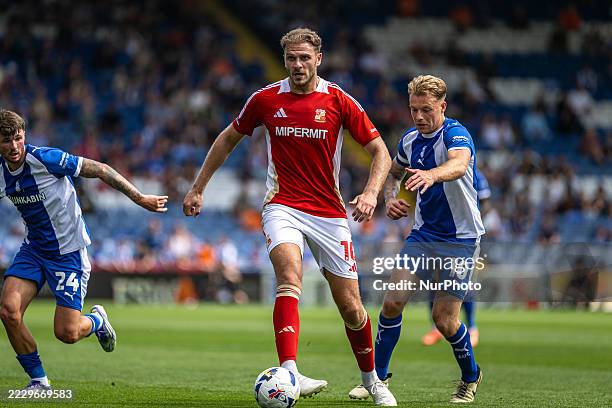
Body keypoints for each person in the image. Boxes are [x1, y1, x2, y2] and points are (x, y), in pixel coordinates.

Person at [183, 28, 397, 406]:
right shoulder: (265, 99)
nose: (298, 65)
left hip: (330, 213)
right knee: (289, 277)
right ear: (284, 61)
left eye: (304, 58)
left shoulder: (338, 101)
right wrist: (198, 186)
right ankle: (290, 371)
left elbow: (380, 151)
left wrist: (370, 192)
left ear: (319, 58)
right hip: (281, 205)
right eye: (291, 59)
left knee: (351, 307)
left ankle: (372, 380)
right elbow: (227, 138)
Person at [0, 109, 168, 389]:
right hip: (33, 250)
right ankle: (39, 381)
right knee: (8, 311)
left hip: (68, 253)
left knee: (66, 333)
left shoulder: (44, 159)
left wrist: (139, 197)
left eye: (18, 138)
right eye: (6, 141)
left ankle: (96, 321)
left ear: (24, 136)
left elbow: (101, 170)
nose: (14, 146)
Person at [349, 75, 485, 403]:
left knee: (444, 320)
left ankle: (471, 375)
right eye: (413, 110)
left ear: (442, 106)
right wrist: (390, 197)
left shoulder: (455, 134)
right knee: (393, 301)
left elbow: (458, 164)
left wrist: (431, 174)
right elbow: (394, 172)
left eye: (426, 110)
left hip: (461, 239)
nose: (419, 117)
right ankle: (376, 380)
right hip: (423, 235)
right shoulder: (410, 140)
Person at [421, 166, 490, 347]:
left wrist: (472, 220)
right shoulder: (436, 170)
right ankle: (436, 328)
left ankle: (472, 327)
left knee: (463, 284)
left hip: (464, 237)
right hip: (437, 234)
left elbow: (486, 202)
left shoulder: (475, 174)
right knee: (433, 283)